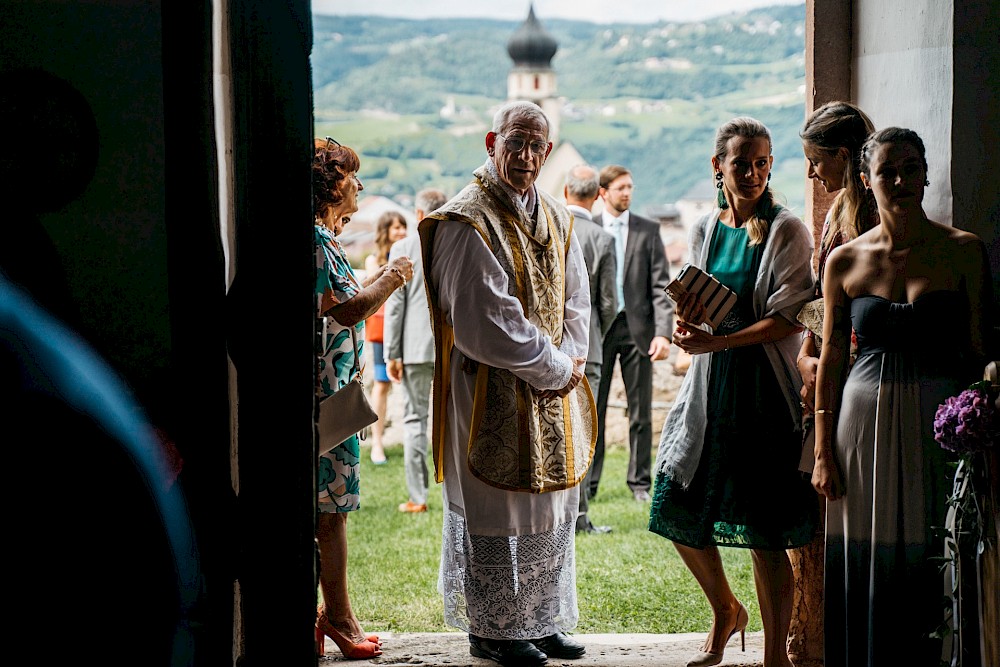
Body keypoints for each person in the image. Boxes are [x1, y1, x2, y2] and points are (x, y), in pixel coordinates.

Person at [419, 100, 595, 667]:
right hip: (489, 389)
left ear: (547, 150)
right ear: (491, 142)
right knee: (495, 510)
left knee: (547, 510)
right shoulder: (466, 220)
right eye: (514, 143)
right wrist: (552, 368)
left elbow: (577, 299)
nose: (524, 156)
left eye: (535, 146)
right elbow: (483, 320)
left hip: (550, 388)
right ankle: (492, 629)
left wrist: (571, 360)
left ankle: (541, 622)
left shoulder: (559, 217)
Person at [812, 127, 993, 667]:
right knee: (866, 554)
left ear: (926, 173)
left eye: (911, 168)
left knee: (936, 548)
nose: (900, 180)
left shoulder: (963, 252)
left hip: (938, 424)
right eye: (888, 170)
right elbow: (831, 360)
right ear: (866, 181)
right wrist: (823, 449)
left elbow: (982, 350)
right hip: (859, 428)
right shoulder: (844, 261)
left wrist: (983, 405)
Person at [650, 117, 817, 667]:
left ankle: (774, 658)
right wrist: (686, 324)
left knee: (767, 530)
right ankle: (725, 608)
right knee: (674, 502)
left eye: (763, 162)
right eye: (741, 162)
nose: (752, 172)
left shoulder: (788, 229)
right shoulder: (705, 226)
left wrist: (716, 345)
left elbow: (788, 320)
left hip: (763, 392)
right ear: (716, 167)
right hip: (709, 391)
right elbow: (698, 294)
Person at [313, 137, 414, 660]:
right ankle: (338, 619)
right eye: (353, 177)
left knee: (328, 511)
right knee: (330, 513)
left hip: (328, 392)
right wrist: (394, 276)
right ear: (332, 185)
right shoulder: (315, 239)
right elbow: (346, 310)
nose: (360, 186)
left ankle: (325, 618)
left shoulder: (321, 239)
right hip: (324, 398)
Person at [787, 100, 878, 665]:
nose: (813, 172)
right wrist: (805, 353)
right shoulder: (833, 214)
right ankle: (812, 632)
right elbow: (823, 306)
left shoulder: (873, 218)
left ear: (844, 157)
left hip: (854, 377)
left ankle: (830, 639)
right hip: (823, 369)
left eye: (817, 161)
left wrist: (828, 362)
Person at [591, 164, 673, 503]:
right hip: (600, 330)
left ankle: (640, 484)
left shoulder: (648, 229)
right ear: (603, 193)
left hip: (639, 329)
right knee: (593, 409)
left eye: (630, 187)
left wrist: (663, 334)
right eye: (620, 187)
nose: (627, 192)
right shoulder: (589, 227)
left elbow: (661, 285)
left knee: (640, 412)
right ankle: (589, 484)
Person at [383, 187, 448, 514]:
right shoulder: (458, 246)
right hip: (452, 348)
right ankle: (457, 498)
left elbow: (395, 306)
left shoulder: (404, 247)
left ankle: (418, 497)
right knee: (454, 423)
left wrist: (392, 353)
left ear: (419, 214)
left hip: (415, 348)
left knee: (414, 421)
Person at [564, 163, 618, 535]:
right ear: (598, 195)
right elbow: (611, 303)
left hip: (546, 349)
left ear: (567, 192)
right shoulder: (603, 239)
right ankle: (579, 517)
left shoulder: (551, 227)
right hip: (589, 348)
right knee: (584, 431)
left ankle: (553, 514)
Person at [363, 210, 409, 464]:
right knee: (382, 383)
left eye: (403, 226)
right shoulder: (374, 261)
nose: (401, 231)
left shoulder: (409, 258)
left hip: (404, 328)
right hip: (382, 331)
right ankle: (377, 442)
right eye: (395, 228)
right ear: (385, 232)